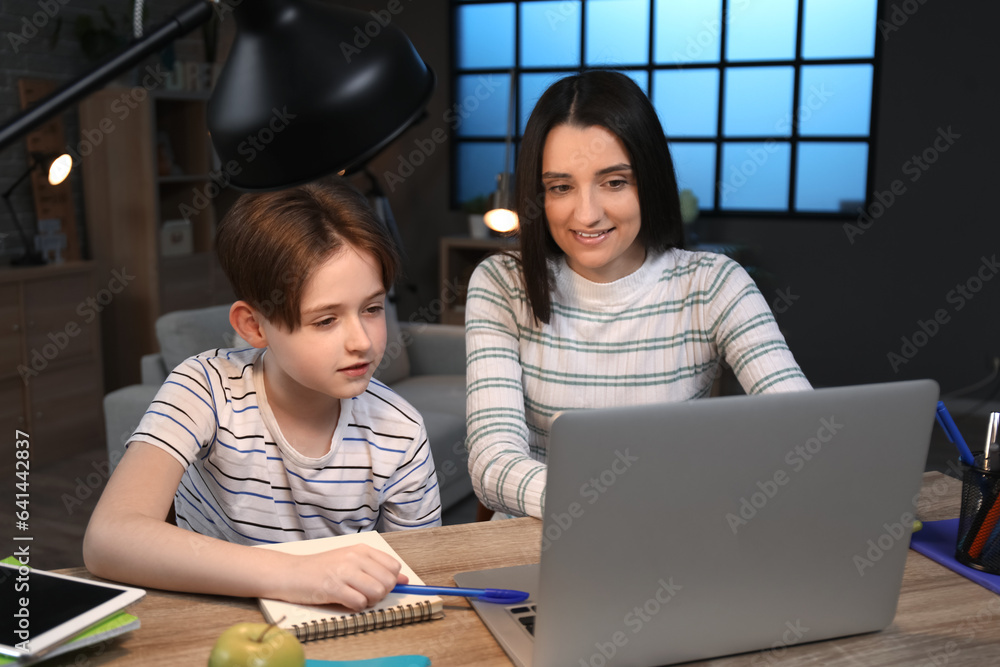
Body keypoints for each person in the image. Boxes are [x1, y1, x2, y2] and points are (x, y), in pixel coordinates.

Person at [465, 71, 811, 519]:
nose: (587, 215)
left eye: (614, 182)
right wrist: (611, 504)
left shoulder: (712, 284)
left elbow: (800, 426)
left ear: (648, 181)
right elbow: (493, 463)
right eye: (561, 187)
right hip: (540, 535)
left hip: (672, 535)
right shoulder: (502, 284)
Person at [84, 178, 441, 610]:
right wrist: (294, 575)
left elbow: (415, 572)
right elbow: (109, 537)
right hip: (218, 621)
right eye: (326, 320)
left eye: (371, 308)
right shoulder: (206, 389)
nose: (362, 341)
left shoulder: (400, 429)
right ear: (253, 326)